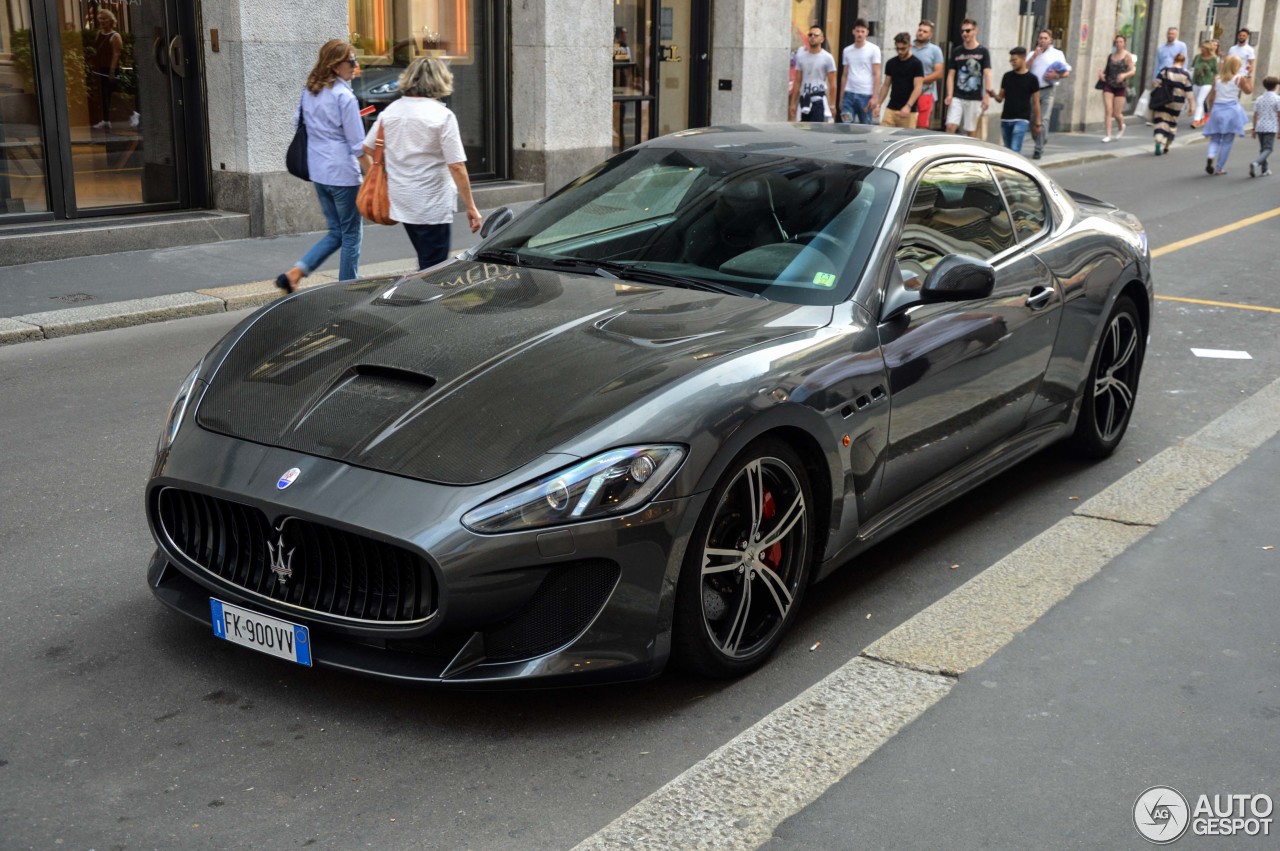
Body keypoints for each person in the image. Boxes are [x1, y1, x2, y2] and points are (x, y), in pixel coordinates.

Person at [362, 57, 482, 270]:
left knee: (426, 258)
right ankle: (424, 299)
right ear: (440, 81)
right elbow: (456, 165)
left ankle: (421, 294)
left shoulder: (391, 111)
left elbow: (367, 149)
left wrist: (380, 177)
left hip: (401, 199)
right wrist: (471, 206)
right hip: (431, 202)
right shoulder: (442, 116)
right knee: (434, 267)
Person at [276, 40, 367, 293]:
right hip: (342, 174)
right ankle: (347, 289)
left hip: (318, 171)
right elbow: (357, 144)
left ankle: (295, 272)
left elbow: (298, 124)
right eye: (351, 61)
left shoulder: (310, 91)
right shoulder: (344, 96)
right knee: (350, 234)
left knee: (336, 231)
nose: (355, 66)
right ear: (336, 65)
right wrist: (373, 173)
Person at [1202, 55, 1253, 175]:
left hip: (1217, 109)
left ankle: (1210, 155)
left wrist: (1210, 110)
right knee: (1227, 141)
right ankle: (1219, 167)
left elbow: (1211, 97)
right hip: (1231, 110)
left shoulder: (1217, 78)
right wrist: (1249, 75)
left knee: (1214, 138)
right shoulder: (1238, 78)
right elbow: (1248, 91)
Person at [1027, 28, 1071, 159]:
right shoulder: (1033, 53)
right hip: (1033, 91)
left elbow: (1066, 72)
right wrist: (1034, 56)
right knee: (1033, 120)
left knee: (1044, 119)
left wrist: (1056, 74)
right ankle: (1040, 139)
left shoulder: (1057, 54)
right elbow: (1024, 68)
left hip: (1048, 90)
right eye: (1040, 38)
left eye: (1045, 38)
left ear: (1050, 40)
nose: (1042, 40)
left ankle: (1038, 149)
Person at [987, 46, 1040, 154]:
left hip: (1022, 119)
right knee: (1007, 151)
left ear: (1023, 59)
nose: (1012, 63)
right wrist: (993, 95)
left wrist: (1038, 122)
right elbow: (1000, 98)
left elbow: (1036, 102)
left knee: (1015, 150)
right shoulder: (1007, 76)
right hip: (1006, 119)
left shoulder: (1032, 79)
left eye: (1015, 60)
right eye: (1011, 60)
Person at [945, 18, 992, 138]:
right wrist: (949, 94)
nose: (964, 34)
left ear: (975, 31)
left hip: (975, 96)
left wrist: (987, 96)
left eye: (968, 31)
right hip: (957, 95)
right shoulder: (957, 51)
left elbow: (987, 73)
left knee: (971, 131)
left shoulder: (983, 52)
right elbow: (951, 74)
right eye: (962, 31)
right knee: (950, 125)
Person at [876, 33, 923, 128]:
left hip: (909, 111)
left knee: (906, 139)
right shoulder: (891, 63)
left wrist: (908, 106)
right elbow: (886, 85)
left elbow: (918, 87)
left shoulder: (916, 64)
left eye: (903, 49)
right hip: (892, 107)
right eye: (897, 49)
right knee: (883, 135)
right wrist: (879, 104)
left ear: (909, 46)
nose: (900, 52)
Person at [1150, 54, 1193, 156]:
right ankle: (1167, 146)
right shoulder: (1186, 74)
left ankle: (1158, 138)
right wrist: (1192, 106)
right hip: (1177, 102)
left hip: (1163, 99)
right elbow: (1189, 92)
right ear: (1183, 62)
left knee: (1160, 119)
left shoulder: (1165, 70)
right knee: (1172, 123)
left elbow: (1156, 83)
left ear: (1174, 60)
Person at [840, 20, 881, 124]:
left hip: (866, 95)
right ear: (853, 32)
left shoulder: (874, 49)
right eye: (857, 31)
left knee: (866, 127)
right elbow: (844, 75)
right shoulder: (847, 51)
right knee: (846, 125)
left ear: (867, 32)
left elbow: (877, 74)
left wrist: (875, 97)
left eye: (862, 31)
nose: (860, 34)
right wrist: (841, 98)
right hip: (849, 94)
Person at [792, 27, 836, 123]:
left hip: (818, 99)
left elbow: (832, 83)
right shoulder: (801, 57)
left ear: (822, 39)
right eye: (810, 35)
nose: (812, 37)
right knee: (803, 130)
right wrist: (792, 103)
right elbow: (798, 81)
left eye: (816, 35)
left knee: (816, 130)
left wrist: (832, 105)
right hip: (804, 98)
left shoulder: (827, 58)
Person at [88, 10, 123, 130]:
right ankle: (106, 120)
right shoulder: (99, 34)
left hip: (112, 69)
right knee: (104, 95)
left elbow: (116, 54)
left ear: (111, 20)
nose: (102, 21)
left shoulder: (115, 36)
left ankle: (132, 114)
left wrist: (112, 71)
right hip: (101, 69)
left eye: (105, 19)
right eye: (100, 19)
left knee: (115, 94)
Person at [1098, 34, 1135, 142]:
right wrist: (1102, 75)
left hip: (1120, 86)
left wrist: (1124, 75)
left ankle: (1121, 126)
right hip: (1109, 84)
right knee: (1108, 110)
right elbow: (1106, 71)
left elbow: (1133, 71)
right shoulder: (1111, 56)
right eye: (1117, 42)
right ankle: (1108, 135)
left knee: (1116, 113)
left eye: (1121, 42)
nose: (1118, 44)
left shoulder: (1127, 56)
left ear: (1124, 43)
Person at [911, 20, 945, 129]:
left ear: (930, 35)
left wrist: (920, 80)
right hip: (907, 92)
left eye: (925, 31)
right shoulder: (909, 47)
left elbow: (939, 73)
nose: (921, 33)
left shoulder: (935, 50)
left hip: (925, 92)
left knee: (921, 127)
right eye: (919, 30)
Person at [1248, 76, 1279, 177]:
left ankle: (1264, 170)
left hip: (1260, 126)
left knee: (1263, 149)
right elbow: (1279, 115)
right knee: (1268, 149)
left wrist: (1254, 128)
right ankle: (1256, 163)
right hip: (1271, 127)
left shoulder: (1259, 98)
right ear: (1275, 86)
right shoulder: (1277, 99)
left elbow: (1255, 114)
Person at [1190, 41, 1219, 128]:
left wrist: (1215, 83)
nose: (1201, 49)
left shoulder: (1213, 59)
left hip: (1207, 82)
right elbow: (1192, 68)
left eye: (1203, 47)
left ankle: (1196, 120)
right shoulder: (1197, 57)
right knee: (1199, 101)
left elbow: (1216, 72)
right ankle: (1202, 118)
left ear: (1208, 49)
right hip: (1196, 81)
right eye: (1201, 47)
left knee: (1200, 100)